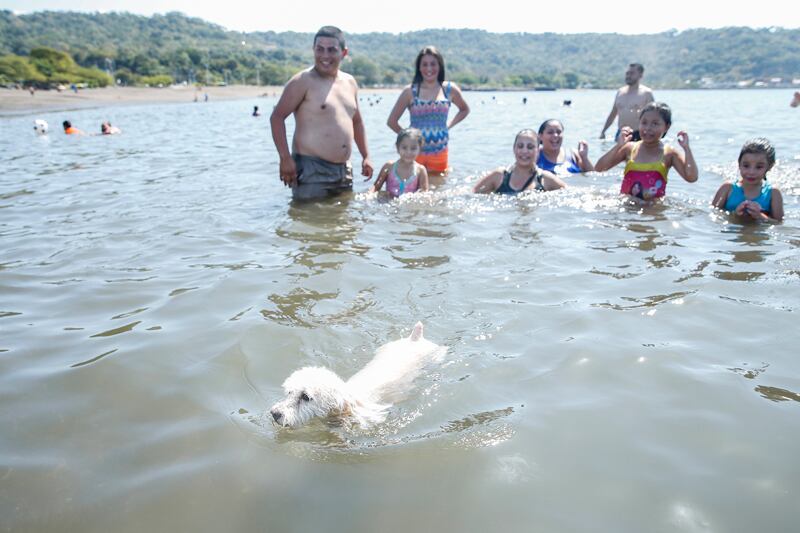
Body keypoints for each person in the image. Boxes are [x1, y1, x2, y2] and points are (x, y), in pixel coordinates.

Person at [270, 26, 373, 200]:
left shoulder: (350, 82)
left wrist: (366, 156)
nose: (325, 55)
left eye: (331, 50)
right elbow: (277, 117)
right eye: (320, 49)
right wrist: (285, 158)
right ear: (313, 49)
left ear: (344, 52)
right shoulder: (302, 81)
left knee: (342, 216)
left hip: (344, 171)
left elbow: (356, 122)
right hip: (311, 170)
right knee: (309, 216)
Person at [386, 46, 470, 175]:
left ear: (440, 66)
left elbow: (464, 110)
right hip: (415, 153)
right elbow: (392, 122)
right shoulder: (410, 91)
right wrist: (409, 140)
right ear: (419, 67)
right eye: (424, 64)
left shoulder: (449, 89)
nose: (429, 68)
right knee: (414, 184)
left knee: (439, 184)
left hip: (440, 151)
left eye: (433, 64)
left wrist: (448, 126)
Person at [594, 102, 697, 200]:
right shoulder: (629, 149)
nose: (648, 128)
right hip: (627, 208)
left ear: (666, 127)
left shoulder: (669, 153)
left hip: (653, 209)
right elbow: (599, 168)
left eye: (655, 124)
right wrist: (618, 146)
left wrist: (686, 149)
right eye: (644, 123)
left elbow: (691, 178)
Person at [473, 129, 567, 194]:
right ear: (514, 149)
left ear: (538, 151)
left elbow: (569, 193)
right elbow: (471, 193)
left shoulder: (545, 179)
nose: (524, 151)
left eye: (530, 147)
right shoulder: (499, 176)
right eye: (520, 146)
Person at [712, 138, 783, 222]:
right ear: (739, 164)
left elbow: (779, 223)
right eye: (746, 166)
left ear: (770, 167)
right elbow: (713, 215)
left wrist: (760, 216)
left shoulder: (773, 193)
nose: (751, 172)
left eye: (759, 167)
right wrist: (735, 215)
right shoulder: (727, 189)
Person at [600, 63, 654, 142]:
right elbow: (613, 114)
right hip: (620, 134)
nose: (628, 76)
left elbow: (654, 116)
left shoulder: (646, 93)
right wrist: (603, 131)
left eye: (632, 73)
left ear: (640, 75)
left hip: (638, 134)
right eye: (627, 73)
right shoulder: (620, 92)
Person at [371, 128, 429, 198]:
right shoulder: (389, 167)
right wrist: (369, 195)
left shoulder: (420, 170)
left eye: (413, 148)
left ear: (420, 149)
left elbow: (424, 193)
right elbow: (376, 187)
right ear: (397, 148)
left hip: (409, 204)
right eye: (404, 148)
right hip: (388, 203)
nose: (408, 152)